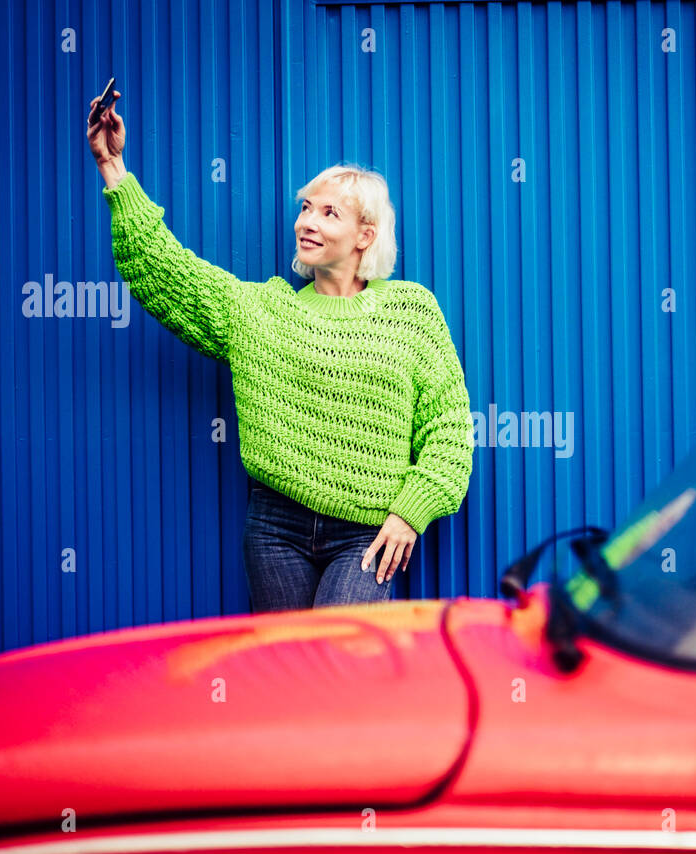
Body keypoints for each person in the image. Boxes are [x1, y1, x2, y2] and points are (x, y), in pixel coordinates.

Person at [86, 88, 474, 610]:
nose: (307, 222)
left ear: (365, 235)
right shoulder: (264, 311)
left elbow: (448, 431)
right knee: (285, 679)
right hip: (275, 530)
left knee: (337, 675)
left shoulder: (411, 312)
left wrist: (411, 511)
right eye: (306, 208)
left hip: (367, 534)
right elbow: (165, 271)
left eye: (328, 213)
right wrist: (112, 167)